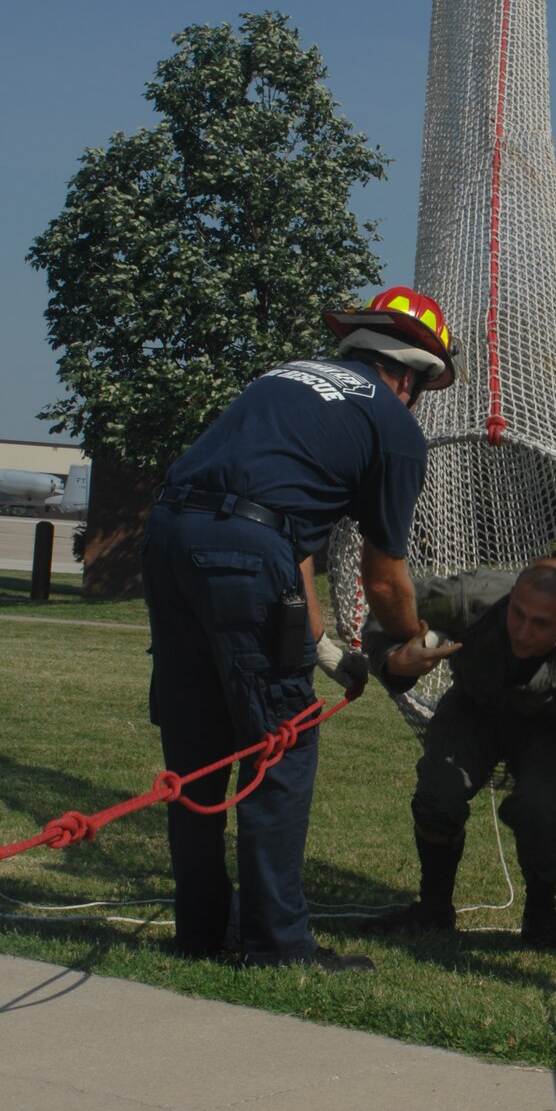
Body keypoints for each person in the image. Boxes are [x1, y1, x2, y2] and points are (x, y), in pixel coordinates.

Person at [140, 285, 456, 973]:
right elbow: (383, 578)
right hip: (246, 552)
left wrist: (317, 644)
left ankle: (198, 929)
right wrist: (411, 638)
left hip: (170, 535)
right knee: (280, 745)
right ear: (413, 375)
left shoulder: (285, 380)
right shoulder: (396, 429)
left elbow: (294, 532)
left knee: (198, 752)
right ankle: (278, 946)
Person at [366, 561, 556, 955]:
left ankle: (541, 917)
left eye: (540, 624)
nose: (522, 632)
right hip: (473, 706)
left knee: (542, 808)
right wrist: (392, 660)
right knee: (440, 790)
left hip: (547, 727)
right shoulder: (470, 597)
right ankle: (433, 908)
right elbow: (386, 603)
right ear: (509, 599)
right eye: (516, 614)